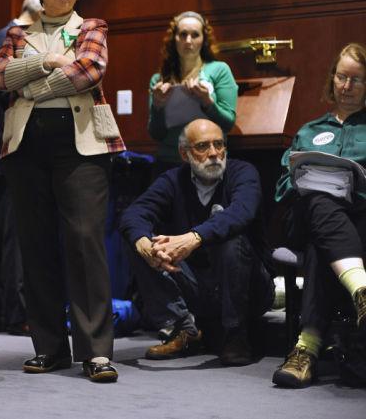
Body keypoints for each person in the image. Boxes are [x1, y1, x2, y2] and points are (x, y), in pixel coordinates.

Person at [0, 0, 124, 382]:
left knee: (85, 243)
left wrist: (29, 87)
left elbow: (88, 71)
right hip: (26, 147)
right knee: (36, 246)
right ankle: (49, 347)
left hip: (81, 146)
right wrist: (45, 61)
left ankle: (96, 351)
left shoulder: (92, 28)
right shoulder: (16, 33)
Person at [119, 119, 274, 366]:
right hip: (198, 285)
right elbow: (134, 213)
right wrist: (146, 246)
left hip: (251, 287)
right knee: (139, 240)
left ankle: (235, 335)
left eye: (219, 144)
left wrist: (194, 237)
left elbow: (242, 212)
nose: (213, 153)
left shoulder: (243, 172)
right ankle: (185, 329)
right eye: (203, 146)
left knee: (230, 240)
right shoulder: (172, 180)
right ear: (185, 153)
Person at [272, 43, 366, 388]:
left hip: (359, 217)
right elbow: (283, 184)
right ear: (332, 79)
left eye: (357, 80)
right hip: (308, 213)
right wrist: (305, 182)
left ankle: (306, 349)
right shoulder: (310, 130)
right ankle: (361, 289)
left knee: (320, 243)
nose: (347, 86)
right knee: (318, 201)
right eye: (342, 77)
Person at [0, 0, 41, 334]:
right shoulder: (10, 38)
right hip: (13, 151)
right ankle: (16, 314)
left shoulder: (7, 36)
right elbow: (12, 93)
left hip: (13, 151)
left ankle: (18, 311)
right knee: (16, 238)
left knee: (20, 235)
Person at [148, 11, 238, 174]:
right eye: (183, 35)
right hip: (169, 162)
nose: (188, 41)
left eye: (195, 35)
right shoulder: (159, 79)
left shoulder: (219, 70)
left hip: (209, 161)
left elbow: (228, 123)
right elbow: (156, 134)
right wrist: (157, 107)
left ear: (203, 40)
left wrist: (207, 103)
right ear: (174, 39)